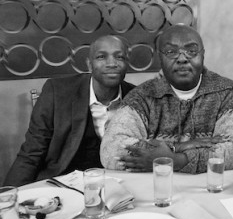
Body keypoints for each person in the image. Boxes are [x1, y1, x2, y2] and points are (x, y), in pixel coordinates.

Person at [100, 24, 233, 173]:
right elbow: (111, 150)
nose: (182, 58)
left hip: (209, 191)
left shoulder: (228, 92)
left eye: (191, 51)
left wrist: (174, 160)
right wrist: (178, 147)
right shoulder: (141, 96)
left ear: (203, 54)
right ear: (160, 58)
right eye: (171, 51)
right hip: (156, 191)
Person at [5, 35, 135, 187]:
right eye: (101, 57)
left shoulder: (137, 98)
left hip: (121, 186)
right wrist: (7, 197)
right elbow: (31, 153)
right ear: (89, 64)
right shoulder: (58, 92)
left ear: (127, 64)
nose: (112, 63)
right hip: (64, 186)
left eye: (119, 57)